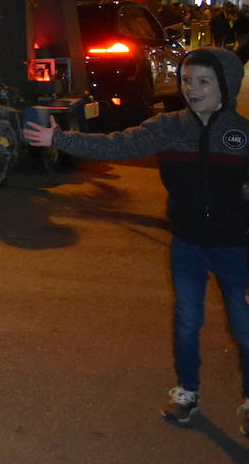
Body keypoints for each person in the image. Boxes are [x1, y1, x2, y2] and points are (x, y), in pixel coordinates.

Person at [24, 46, 249, 432]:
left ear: (225, 85)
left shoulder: (242, 135)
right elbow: (117, 144)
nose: (192, 89)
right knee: (187, 321)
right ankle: (186, 392)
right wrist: (61, 139)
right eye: (186, 80)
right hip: (188, 244)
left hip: (236, 247)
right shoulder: (169, 127)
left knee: (245, 326)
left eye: (203, 81)